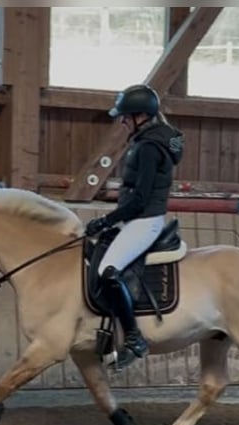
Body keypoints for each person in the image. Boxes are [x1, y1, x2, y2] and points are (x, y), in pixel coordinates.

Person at [84, 83, 185, 369]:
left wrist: (106, 220)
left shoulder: (150, 147)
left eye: (126, 116)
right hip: (135, 219)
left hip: (144, 221)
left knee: (108, 272)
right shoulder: (145, 141)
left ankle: (133, 338)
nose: (123, 121)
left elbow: (140, 199)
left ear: (141, 115)